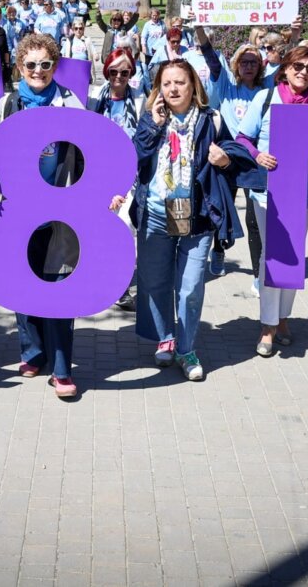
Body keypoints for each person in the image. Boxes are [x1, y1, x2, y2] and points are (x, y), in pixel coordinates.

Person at [0, 33, 84, 400]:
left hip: (60, 213)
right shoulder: (8, 105)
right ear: (19, 67)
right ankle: (33, 351)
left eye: (45, 64)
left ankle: (61, 368)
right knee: (23, 283)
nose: (38, 70)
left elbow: (89, 151)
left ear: (54, 66)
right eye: (30, 64)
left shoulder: (70, 103)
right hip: (19, 212)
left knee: (58, 286)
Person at [131, 59, 236, 381]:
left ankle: (186, 348)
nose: (173, 89)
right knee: (155, 282)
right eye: (167, 83)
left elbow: (232, 151)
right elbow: (134, 157)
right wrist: (154, 125)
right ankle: (165, 337)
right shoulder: (150, 117)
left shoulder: (210, 119)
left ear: (193, 86)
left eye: (180, 82)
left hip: (198, 216)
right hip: (155, 213)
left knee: (190, 288)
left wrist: (225, 158)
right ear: (159, 89)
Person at [235, 46, 308, 357]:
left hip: (304, 193)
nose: (303, 72)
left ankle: (283, 319)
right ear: (285, 68)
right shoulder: (266, 98)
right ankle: (267, 325)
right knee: (272, 255)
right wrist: (258, 155)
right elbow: (243, 138)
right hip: (269, 194)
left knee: (294, 257)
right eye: (298, 66)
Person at [204, 43, 271, 277]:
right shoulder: (227, 85)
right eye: (244, 62)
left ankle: (258, 273)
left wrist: (293, 38)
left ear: (260, 66)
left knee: (255, 218)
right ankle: (219, 250)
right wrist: (200, 31)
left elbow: (287, 69)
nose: (249, 67)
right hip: (227, 158)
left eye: (254, 62)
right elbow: (212, 60)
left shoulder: (266, 89)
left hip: (252, 161)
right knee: (222, 208)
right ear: (236, 65)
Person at [91, 48, 147, 311]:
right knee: (100, 230)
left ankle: (120, 285)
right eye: (114, 71)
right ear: (106, 72)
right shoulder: (94, 99)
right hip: (97, 176)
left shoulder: (139, 101)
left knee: (124, 229)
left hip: (130, 176)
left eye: (125, 72)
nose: (119, 77)